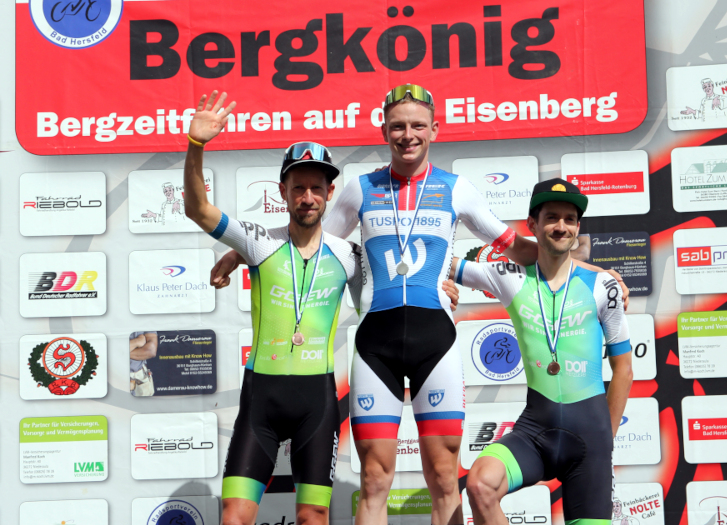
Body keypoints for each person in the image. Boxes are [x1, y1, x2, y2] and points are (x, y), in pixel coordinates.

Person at [211, 84, 628, 525]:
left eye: (416, 125)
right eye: (397, 126)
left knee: (446, 477)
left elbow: (519, 248)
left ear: (434, 130)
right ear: (384, 131)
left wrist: (590, 270)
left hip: (437, 343)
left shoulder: (456, 188)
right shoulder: (359, 189)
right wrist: (242, 251)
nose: (407, 134)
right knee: (374, 478)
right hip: (377, 347)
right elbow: (306, 241)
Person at [184, 91, 461, 525]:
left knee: (315, 517)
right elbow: (197, 209)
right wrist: (196, 146)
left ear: (331, 193)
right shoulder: (258, 242)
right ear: (283, 192)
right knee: (234, 517)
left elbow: (388, 291)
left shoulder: (350, 255)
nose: (308, 197)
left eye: (317, 188)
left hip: (318, 402)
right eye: (298, 188)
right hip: (261, 399)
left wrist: (443, 288)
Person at [456, 179, 634, 525]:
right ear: (532, 225)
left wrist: (603, 442)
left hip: (591, 441)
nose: (561, 227)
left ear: (578, 227)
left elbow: (624, 369)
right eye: (552, 217)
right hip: (535, 432)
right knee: (480, 485)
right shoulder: (511, 278)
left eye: (570, 219)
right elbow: (443, 265)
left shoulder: (604, 286)